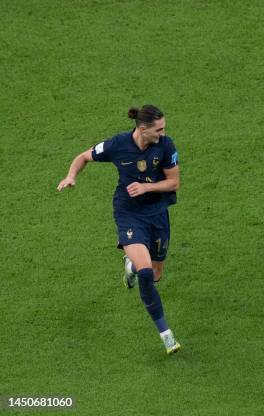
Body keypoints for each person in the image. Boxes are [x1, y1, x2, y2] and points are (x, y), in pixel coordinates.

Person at [57, 105, 181, 355]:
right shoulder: (118, 144)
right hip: (129, 214)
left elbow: (174, 182)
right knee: (147, 274)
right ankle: (166, 335)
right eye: (159, 129)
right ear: (143, 129)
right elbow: (83, 157)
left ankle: (131, 265)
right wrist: (71, 176)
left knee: (155, 273)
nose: (163, 133)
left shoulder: (166, 146)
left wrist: (146, 188)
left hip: (157, 215)